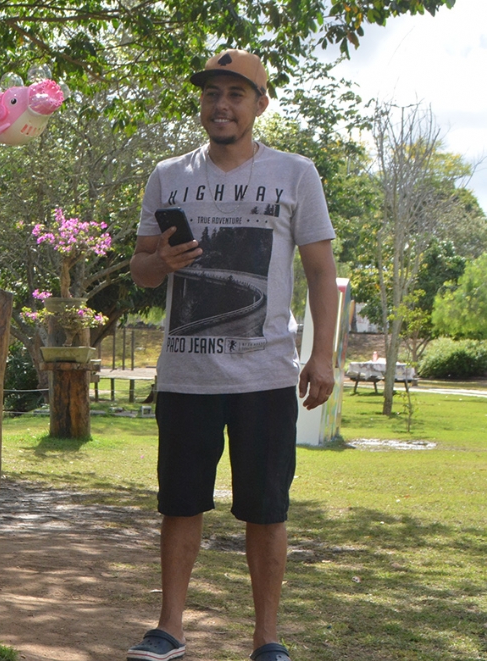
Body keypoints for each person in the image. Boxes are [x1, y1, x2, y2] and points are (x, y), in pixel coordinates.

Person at [126, 49, 338, 661]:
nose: (221, 104)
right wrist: (158, 262)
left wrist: (320, 356)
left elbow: (321, 271)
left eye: (236, 94)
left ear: (260, 103)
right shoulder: (169, 175)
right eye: (212, 93)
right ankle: (169, 628)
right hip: (187, 374)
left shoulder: (296, 173)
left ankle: (267, 639)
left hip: (266, 373)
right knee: (180, 502)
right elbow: (140, 271)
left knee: (267, 510)